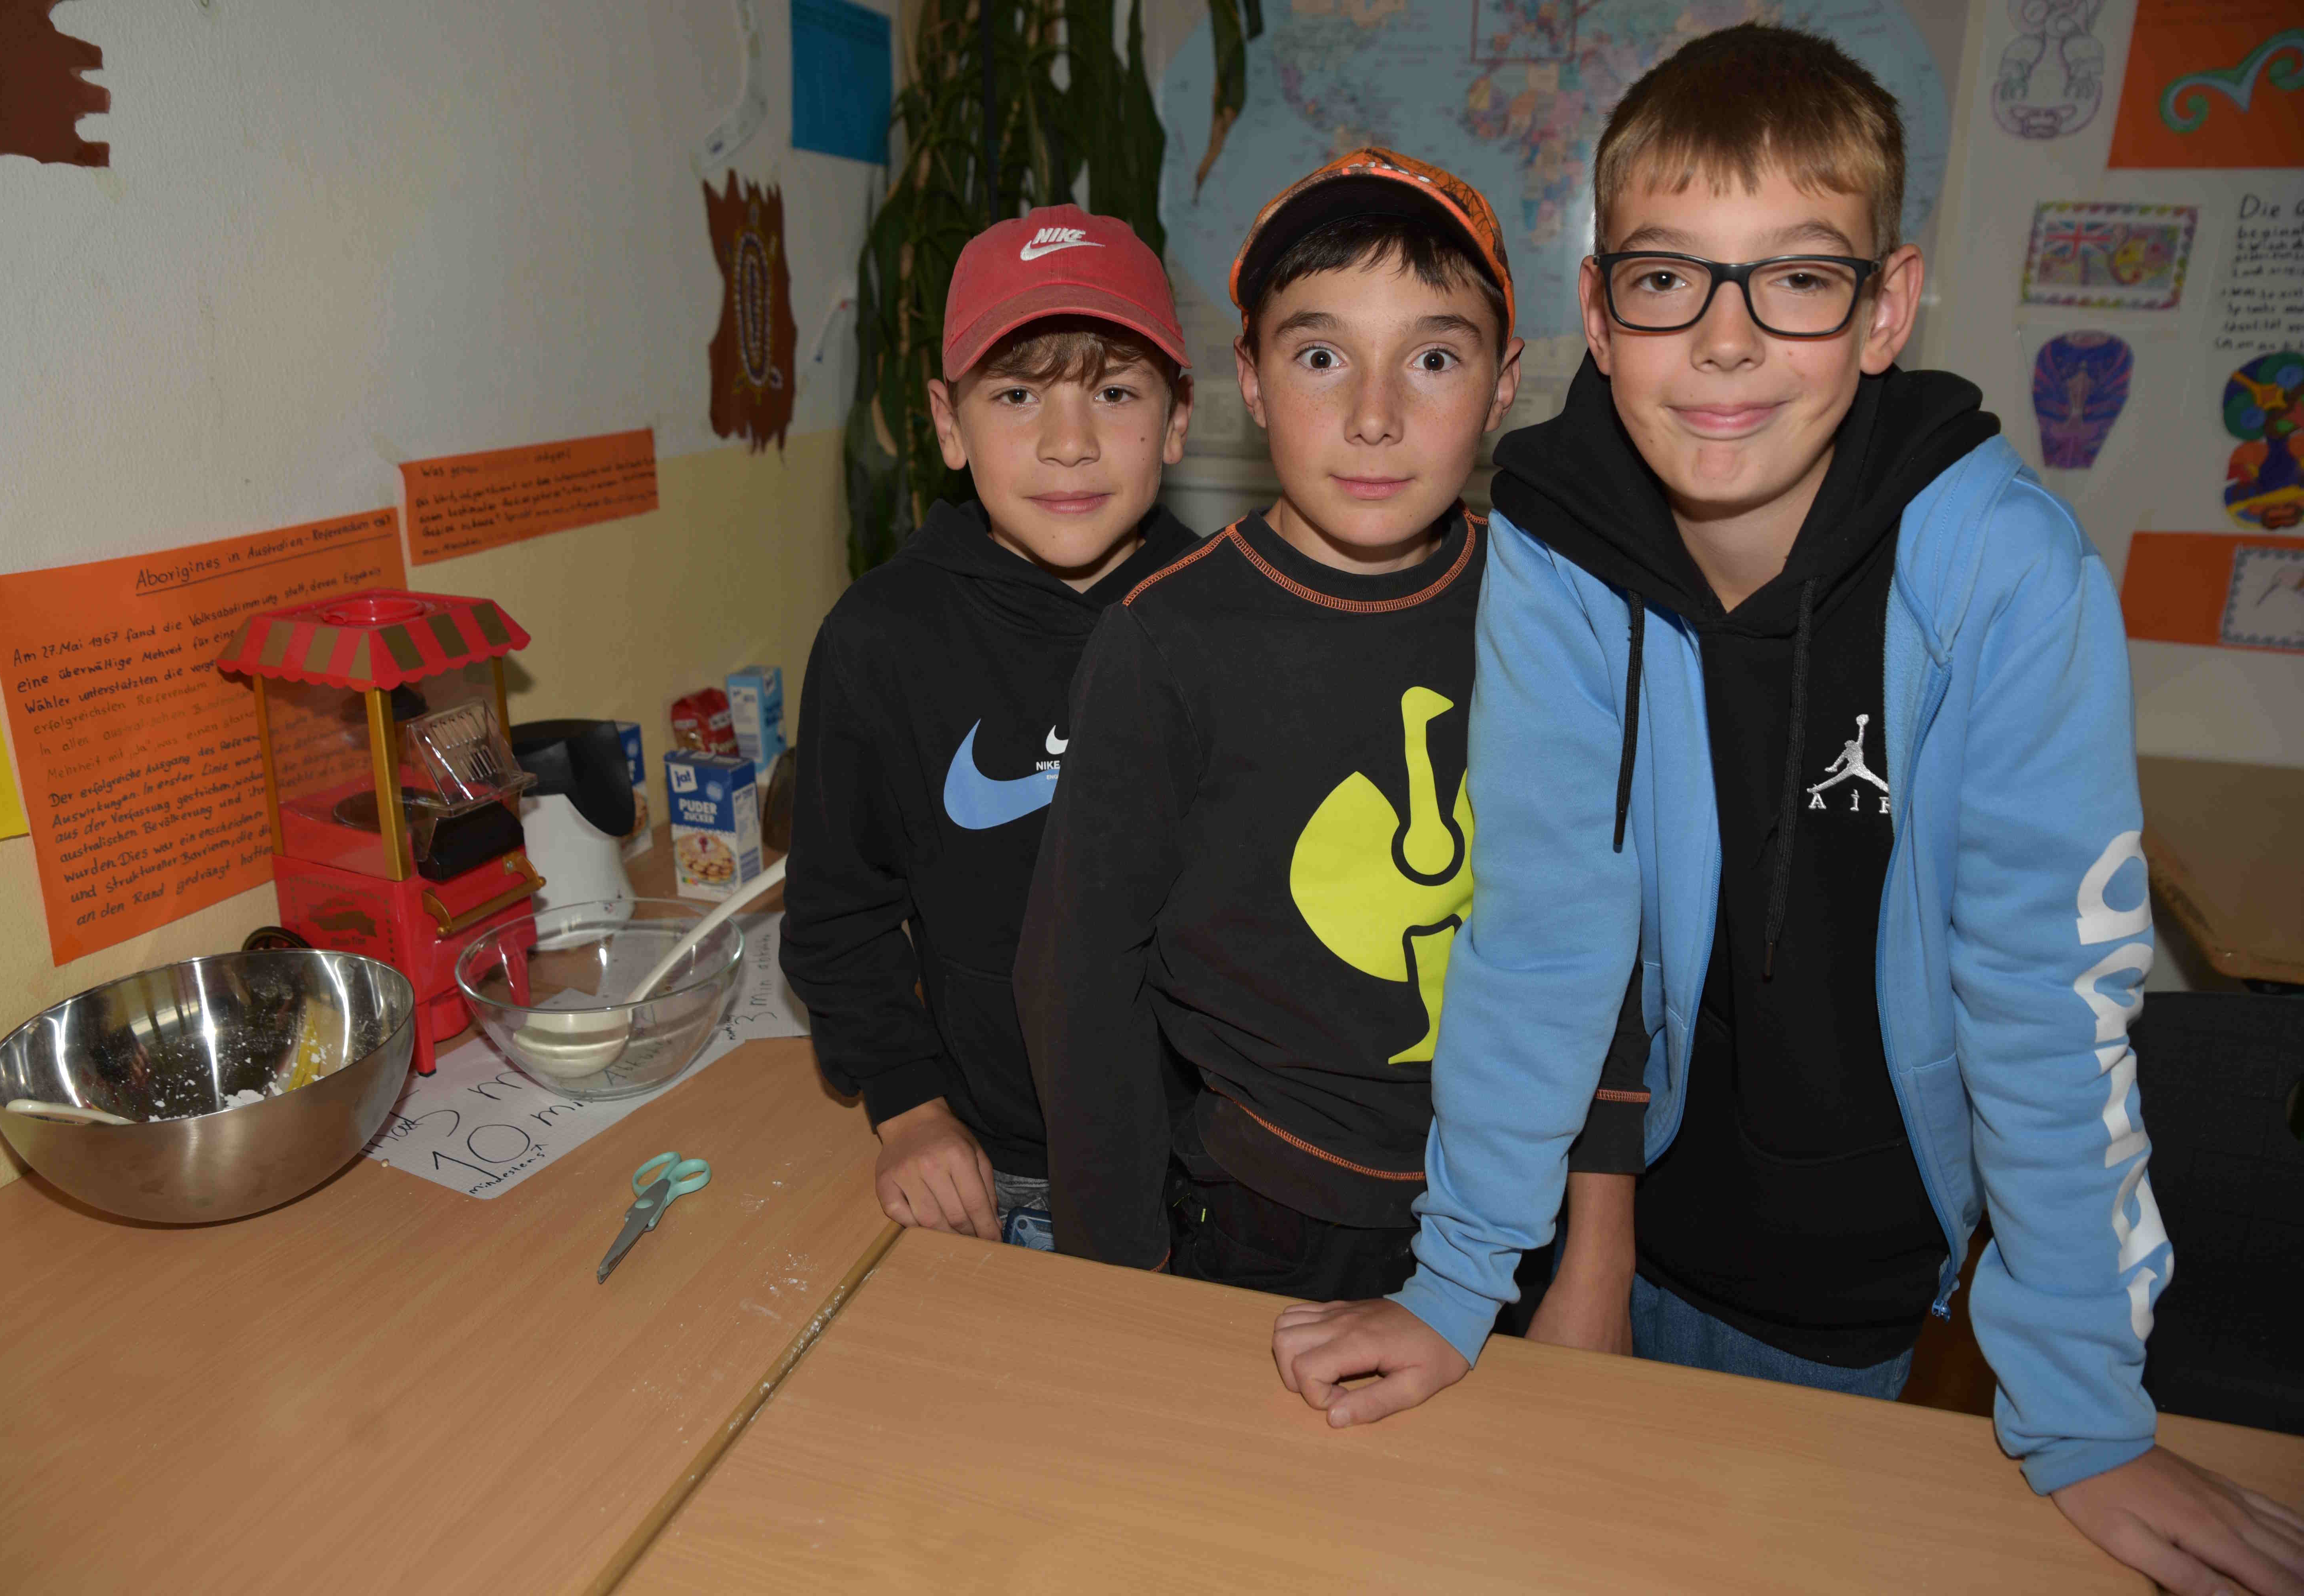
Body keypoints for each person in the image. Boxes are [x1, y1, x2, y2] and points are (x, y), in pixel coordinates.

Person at [1269, 27, 2304, 1594]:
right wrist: (1457, 1279)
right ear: (1599, 315)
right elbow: (1540, 929)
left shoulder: (2005, 574)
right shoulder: (1553, 542)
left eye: (1799, 279)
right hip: (1612, 1210)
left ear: (1885, 309)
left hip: (1855, 1254)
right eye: (1668, 279)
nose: (1727, 342)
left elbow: (2049, 1004)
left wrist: (2085, 1413)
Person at [1016, 151, 1649, 1317]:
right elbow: (1079, 980)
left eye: (1434, 359)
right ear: (1251, 381)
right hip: (1261, 1222)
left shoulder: (1558, 617)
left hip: (1521, 1216)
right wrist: (1122, 1276)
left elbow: (1602, 945)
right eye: (1321, 357)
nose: (1373, 417)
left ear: (1504, 384)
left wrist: (1600, 1259)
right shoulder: (1165, 641)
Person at [781, 205, 1196, 1249]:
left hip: (1214, 1168)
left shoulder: (1232, 622)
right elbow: (837, 917)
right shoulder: (879, 640)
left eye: (1115, 392)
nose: (1070, 443)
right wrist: (909, 1109)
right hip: (1004, 1166)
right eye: (1017, 395)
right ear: (948, 423)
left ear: (1178, 418)